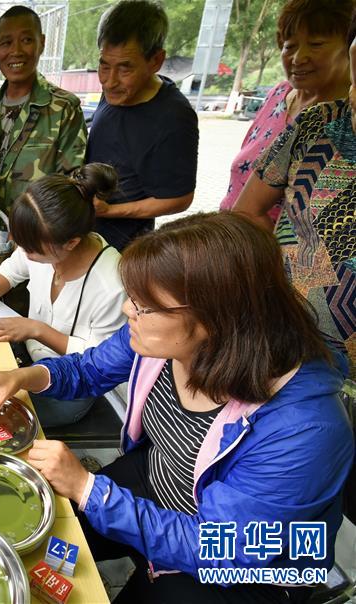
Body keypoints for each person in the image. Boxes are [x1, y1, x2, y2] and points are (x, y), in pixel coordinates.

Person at [0, 212, 353, 603]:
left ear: (215, 320)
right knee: (42, 534)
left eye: (145, 305)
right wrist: (22, 378)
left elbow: (223, 549)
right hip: (160, 477)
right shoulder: (166, 339)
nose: (128, 312)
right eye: (134, 297)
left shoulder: (304, 432)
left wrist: (89, 489)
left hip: (244, 570)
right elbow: (90, 368)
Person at [234, 11, 356, 376]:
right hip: (293, 342)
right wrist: (275, 280)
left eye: (316, 44)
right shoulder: (318, 125)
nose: (300, 56)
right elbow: (248, 209)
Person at [0, 164, 125, 427]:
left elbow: (98, 362)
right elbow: (13, 268)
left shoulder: (111, 284)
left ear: (71, 243)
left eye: (31, 250)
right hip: (28, 363)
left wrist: (36, 330)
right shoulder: (42, 245)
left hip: (70, 392)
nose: (24, 253)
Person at [220, 0, 353, 217]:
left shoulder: (345, 119)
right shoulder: (278, 95)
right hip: (233, 237)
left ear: (349, 48)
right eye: (289, 46)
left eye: (316, 44)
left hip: (276, 248)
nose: (298, 58)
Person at [86, 0, 198, 251]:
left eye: (125, 68)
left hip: (124, 249)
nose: (110, 81)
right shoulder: (115, 90)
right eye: (104, 65)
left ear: (155, 61)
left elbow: (179, 198)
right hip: (85, 236)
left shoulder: (174, 116)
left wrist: (111, 210)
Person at [0, 6, 87, 215]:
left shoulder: (64, 108)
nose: (16, 51)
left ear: (42, 43)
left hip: (37, 238)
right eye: (6, 43)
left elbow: (73, 187)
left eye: (26, 40)